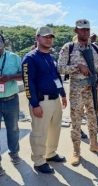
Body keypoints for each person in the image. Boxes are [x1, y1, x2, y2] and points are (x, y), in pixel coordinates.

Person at [58, 19, 98, 166]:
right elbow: (60, 68)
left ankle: (94, 144)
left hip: (91, 89)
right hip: (76, 89)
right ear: (76, 30)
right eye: (82, 29)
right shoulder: (69, 47)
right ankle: (76, 151)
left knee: (93, 118)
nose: (85, 32)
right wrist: (78, 67)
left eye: (87, 29)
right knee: (76, 121)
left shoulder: (95, 49)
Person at [22, 26, 67, 174]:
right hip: (41, 101)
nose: (49, 39)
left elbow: (56, 78)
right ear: (37, 38)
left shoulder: (50, 57)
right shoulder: (30, 58)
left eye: (51, 37)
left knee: (55, 129)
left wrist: (63, 94)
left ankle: (50, 154)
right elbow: (28, 84)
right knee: (39, 132)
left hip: (55, 100)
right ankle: (39, 161)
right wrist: (34, 104)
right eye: (45, 36)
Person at [0, 34, 22, 176]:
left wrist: (9, 77)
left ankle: (14, 152)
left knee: (13, 128)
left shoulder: (14, 57)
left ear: (3, 42)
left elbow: (23, 75)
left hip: (11, 99)